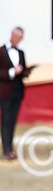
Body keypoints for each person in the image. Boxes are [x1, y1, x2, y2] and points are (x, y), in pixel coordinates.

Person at [0, 26, 30, 161]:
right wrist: (12, 72)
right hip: (5, 92)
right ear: (12, 35)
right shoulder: (1, 52)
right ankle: (6, 150)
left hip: (17, 92)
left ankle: (11, 148)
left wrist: (25, 72)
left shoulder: (21, 53)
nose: (19, 40)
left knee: (12, 121)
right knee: (6, 120)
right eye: (17, 37)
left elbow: (22, 70)